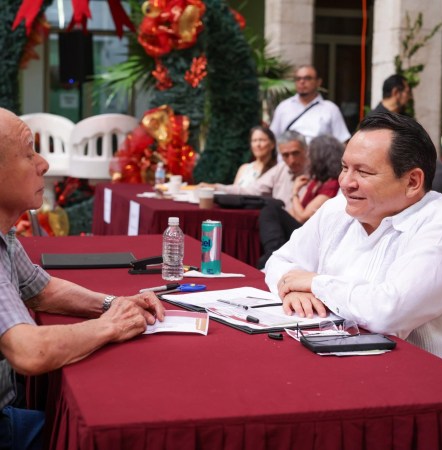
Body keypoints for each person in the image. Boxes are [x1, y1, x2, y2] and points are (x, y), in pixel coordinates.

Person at [0, 107, 166, 449]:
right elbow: (30, 352)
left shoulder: (5, 234)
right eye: (29, 153)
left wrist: (113, 304)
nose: (44, 164)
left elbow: (41, 290)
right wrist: (111, 326)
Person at [265, 112, 442, 362]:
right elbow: (279, 261)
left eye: (363, 172)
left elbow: (388, 311)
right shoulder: (337, 209)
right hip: (333, 359)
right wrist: (293, 291)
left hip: (419, 376)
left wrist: (317, 284)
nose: (345, 182)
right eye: (344, 168)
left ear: (413, 181)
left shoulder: (440, 225)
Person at [258, 135, 343, 269]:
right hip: (302, 230)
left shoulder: (332, 184)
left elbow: (303, 217)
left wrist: (294, 193)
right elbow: (294, 212)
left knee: (271, 210)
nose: (308, 158)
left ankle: (272, 255)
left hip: (310, 233)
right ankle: (273, 254)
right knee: (271, 207)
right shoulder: (316, 182)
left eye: (311, 154)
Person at [203, 130, 308, 210]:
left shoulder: (314, 171)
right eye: (285, 155)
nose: (291, 160)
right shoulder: (280, 169)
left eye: (296, 153)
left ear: (305, 150)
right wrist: (216, 187)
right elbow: (251, 190)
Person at [270, 65, 351, 144]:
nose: (302, 82)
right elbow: (272, 138)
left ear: (318, 82)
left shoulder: (330, 109)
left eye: (307, 78)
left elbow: (343, 140)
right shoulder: (283, 107)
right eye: (298, 79)